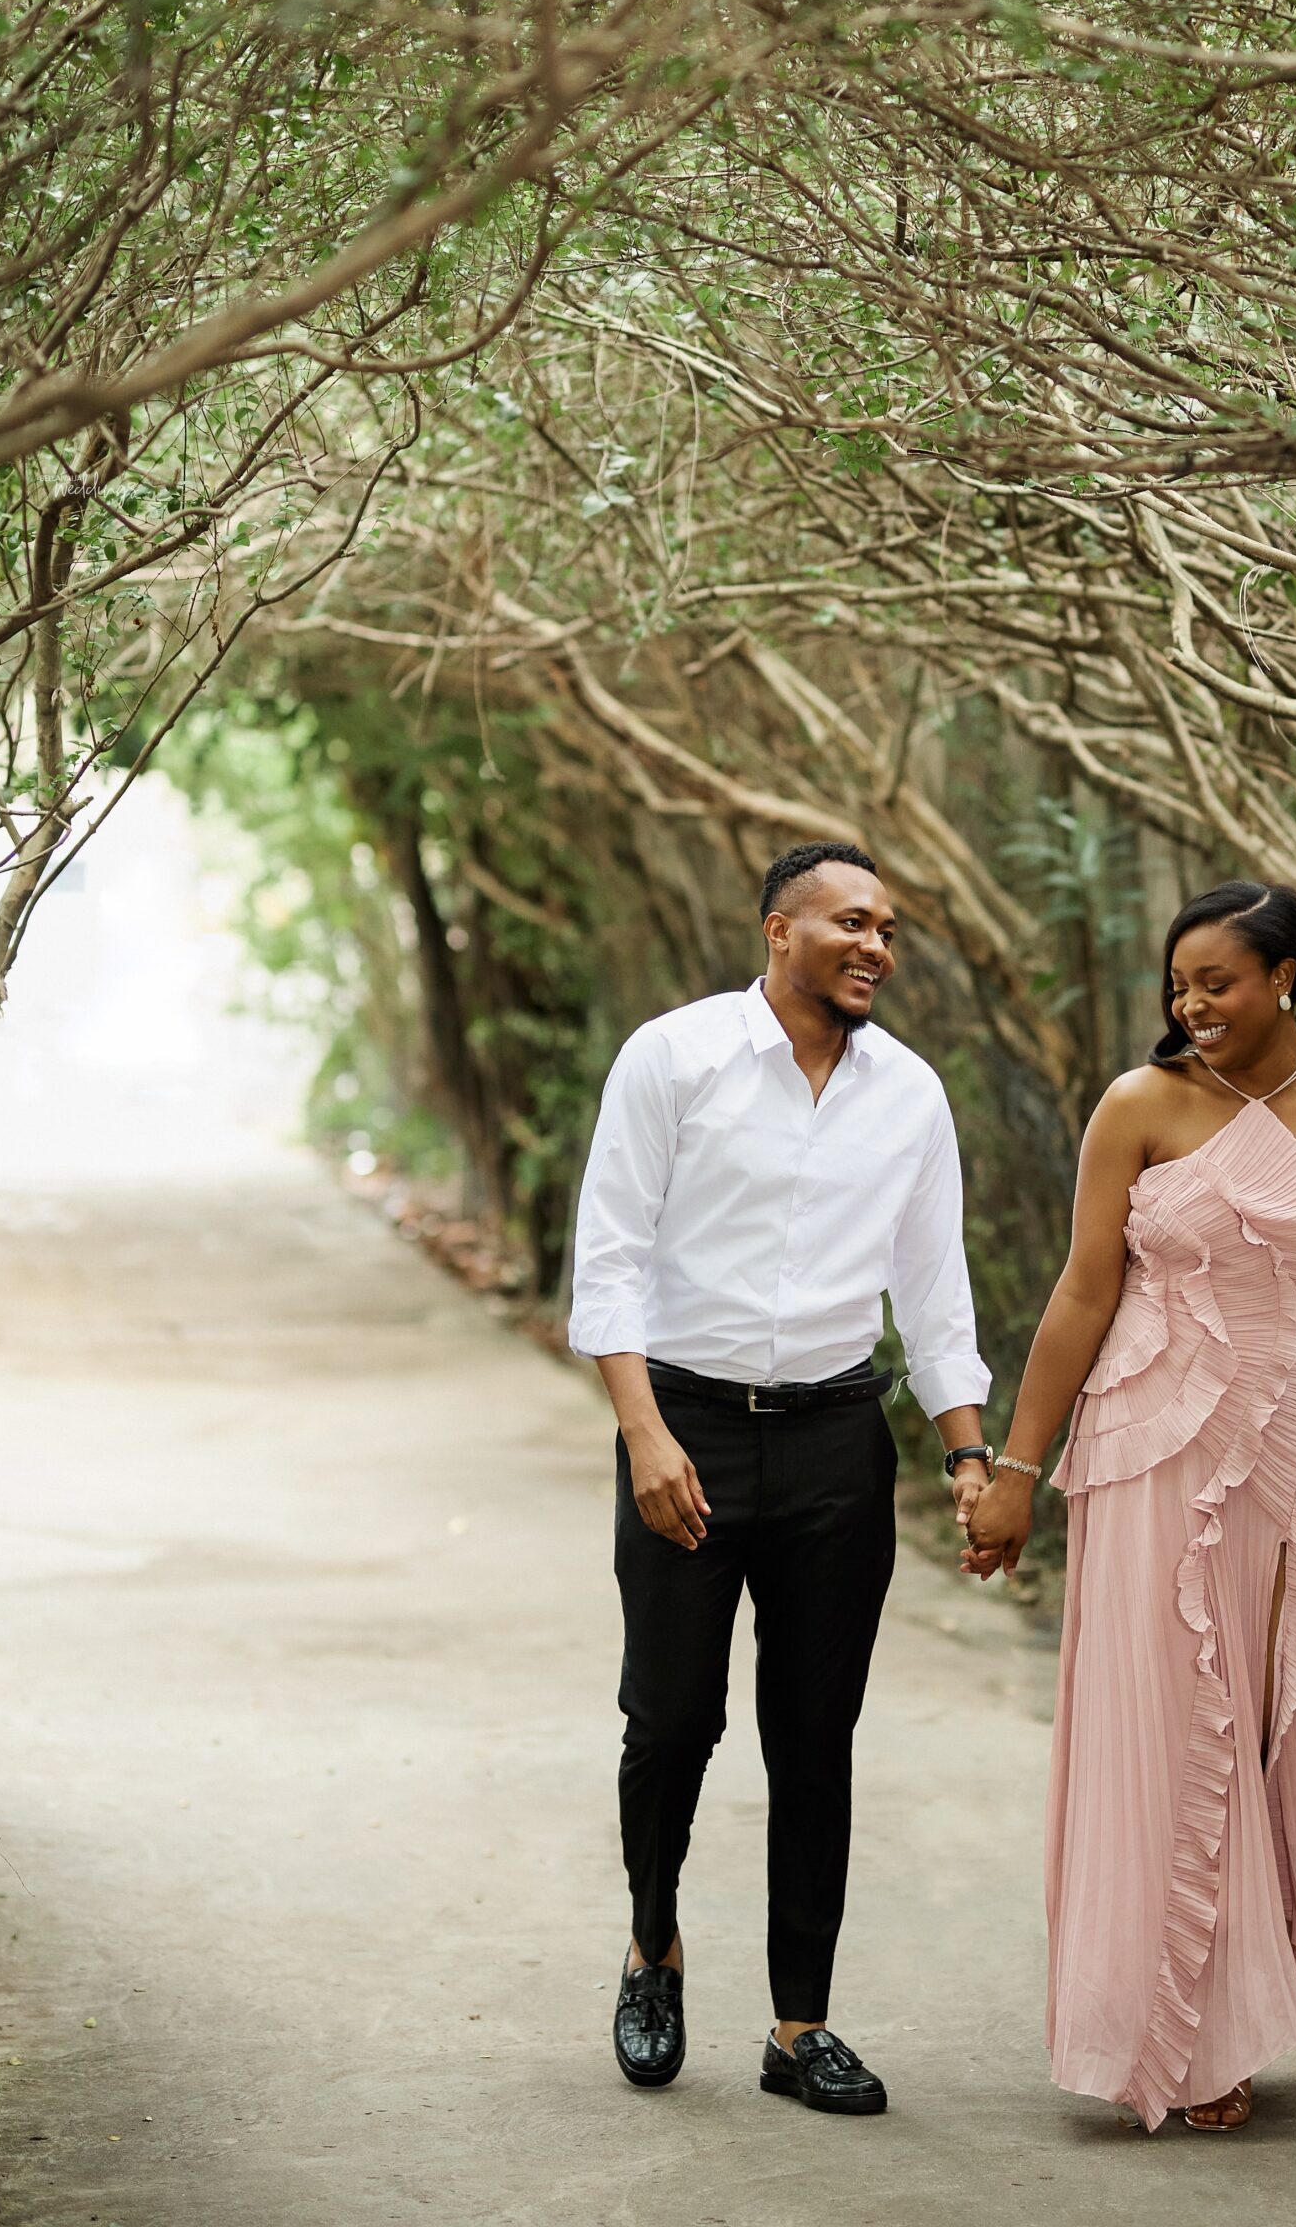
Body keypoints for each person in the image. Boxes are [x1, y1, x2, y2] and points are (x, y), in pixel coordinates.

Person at [966, 879, 1296, 2133]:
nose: (1192, 1004)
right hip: (1150, 1442)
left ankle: (1226, 2003)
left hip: (1291, 1446)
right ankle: (1187, 2034)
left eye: (1219, 981)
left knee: (1253, 1720)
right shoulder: (1138, 1105)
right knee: (1165, 1722)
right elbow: (1083, 1292)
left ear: (1286, 978)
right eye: (1179, 984)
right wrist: (1016, 1471)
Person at [569, 840, 994, 2117]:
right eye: (851, 921)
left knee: (816, 1737)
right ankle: (653, 1944)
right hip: (686, 1425)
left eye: (889, 929)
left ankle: (799, 2026)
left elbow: (933, 1288)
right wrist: (645, 1435)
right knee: (670, 1720)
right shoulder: (675, 1057)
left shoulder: (909, 1094)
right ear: (778, 929)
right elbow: (609, 1255)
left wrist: (968, 1452)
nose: (876, 945)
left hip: (834, 1444)